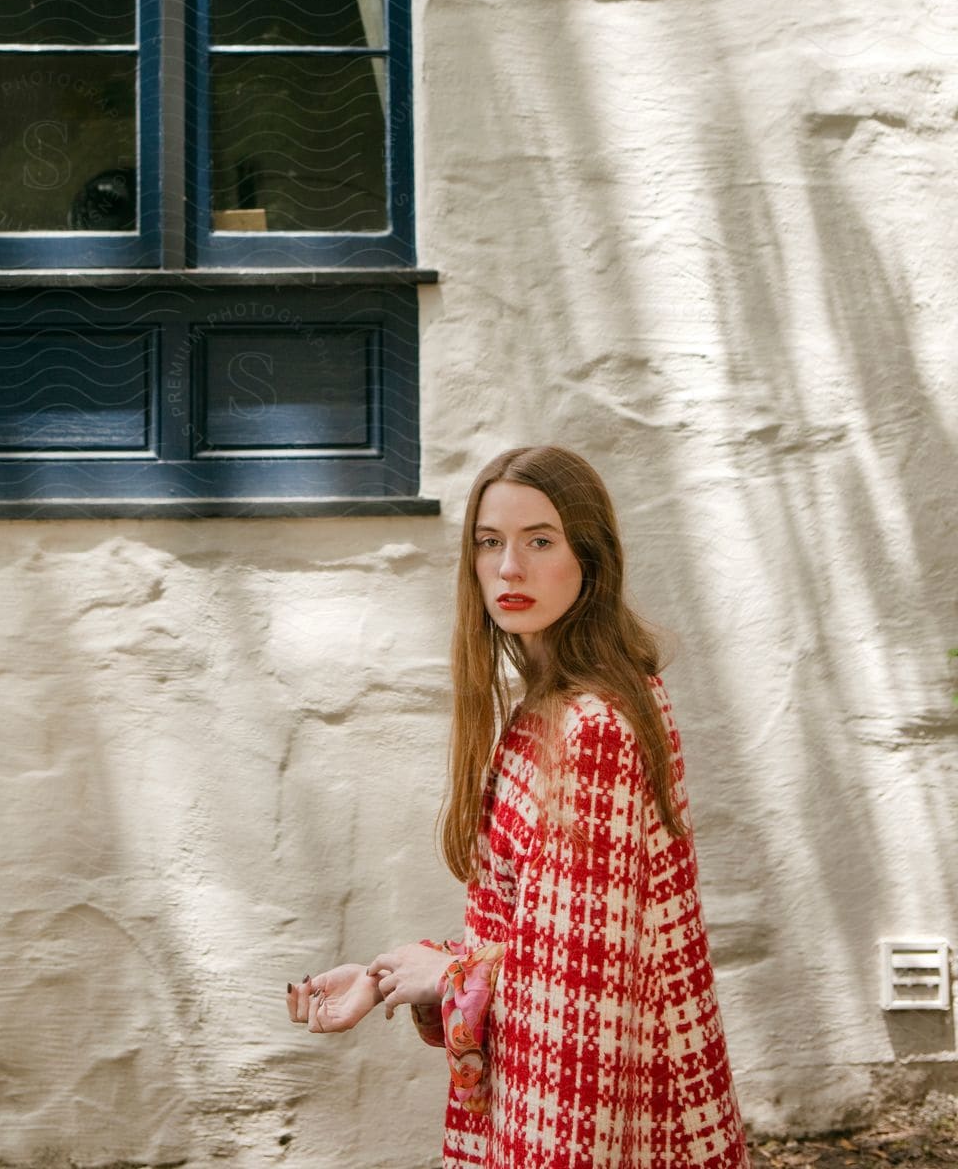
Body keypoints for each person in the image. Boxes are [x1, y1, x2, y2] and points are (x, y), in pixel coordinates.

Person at [286, 444, 750, 1169]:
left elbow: (578, 1003)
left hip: (607, 1121)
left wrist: (446, 976)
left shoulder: (593, 728)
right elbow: (545, 937)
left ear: (590, 561)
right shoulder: (550, 707)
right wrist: (392, 976)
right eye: (490, 543)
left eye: (540, 541)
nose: (509, 569)